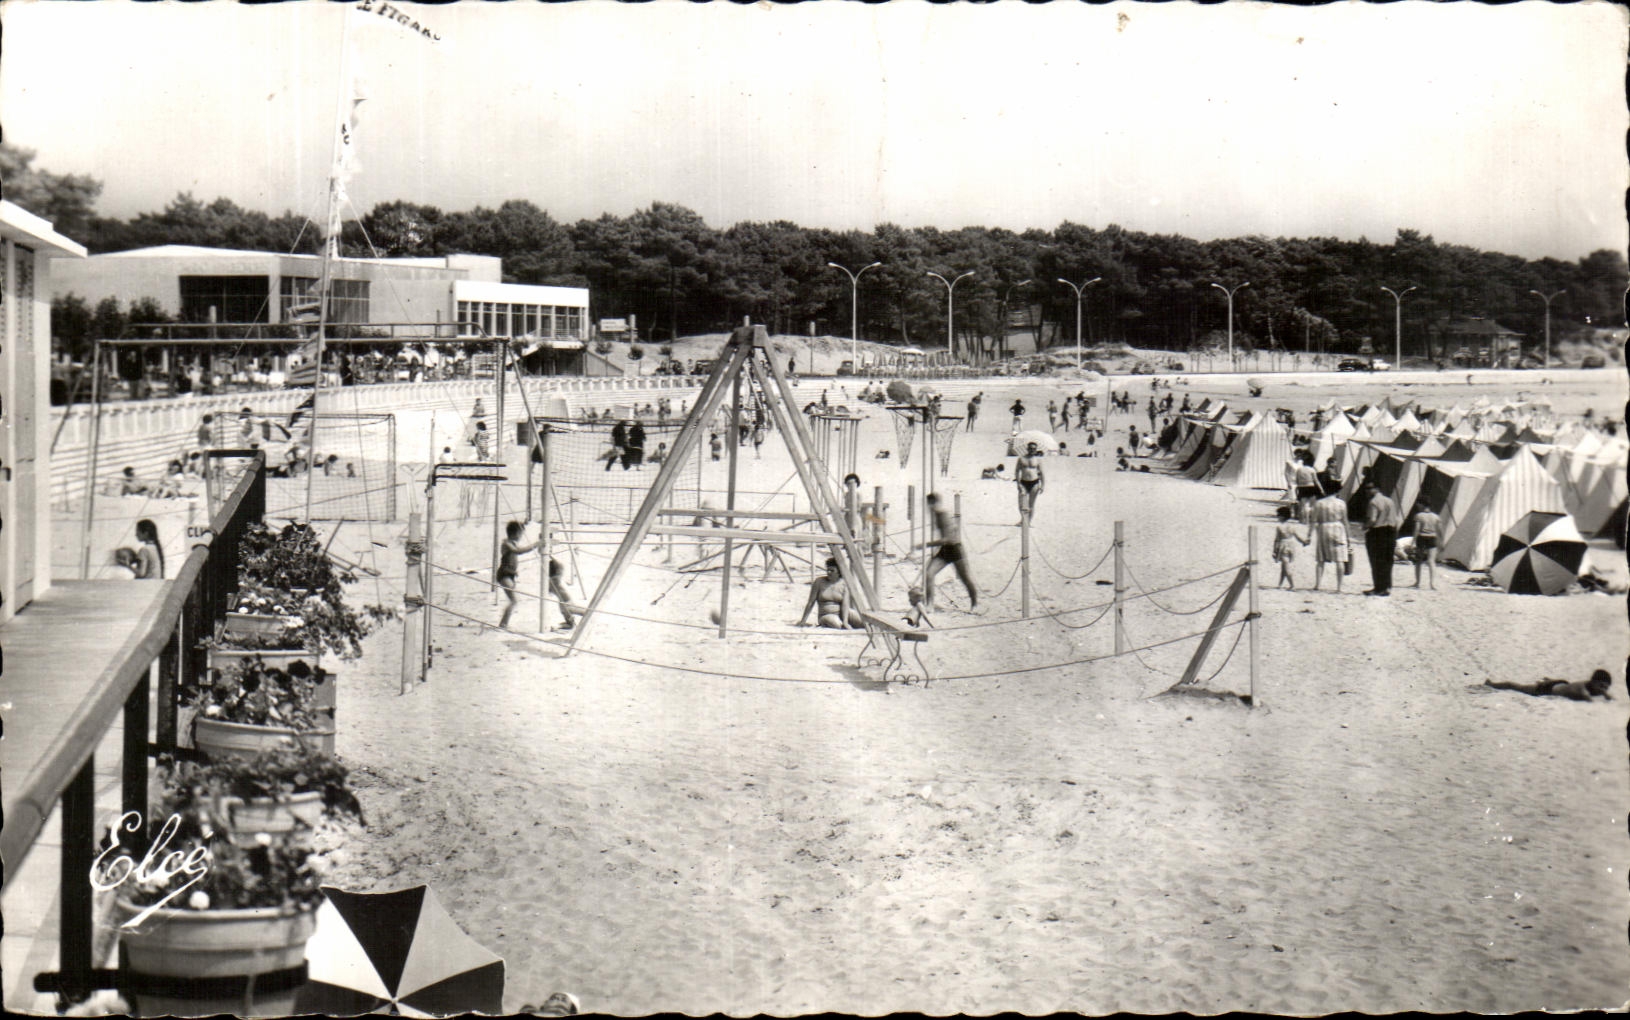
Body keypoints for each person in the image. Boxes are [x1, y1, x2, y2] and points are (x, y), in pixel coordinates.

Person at [922, 492, 978, 611]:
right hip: (945, 550)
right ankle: (930, 604)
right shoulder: (935, 515)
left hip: (955, 549)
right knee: (929, 574)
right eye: (929, 504)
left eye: (932, 504)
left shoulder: (944, 515)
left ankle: (975, 604)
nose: (930, 507)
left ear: (936, 503)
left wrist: (926, 545)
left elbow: (947, 538)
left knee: (965, 578)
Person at [1362, 481, 1402, 596]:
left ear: (1377, 489)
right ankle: (1387, 586)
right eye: (1366, 489)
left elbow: (1373, 519)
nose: (1367, 491)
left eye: (1370, 488)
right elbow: (1396, 518)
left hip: (1378, 532)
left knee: (1376, 560)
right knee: (1388, 560)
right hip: (1391, 531)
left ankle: (1379, 587)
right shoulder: (1390, 501)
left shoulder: (1373, 502)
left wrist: (1365, 526)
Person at [798, 557, 861, 629]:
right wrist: (803, 620)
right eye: (828, 570)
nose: (828, 572)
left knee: (864, 623)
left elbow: (845, 604)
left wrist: (845, 621)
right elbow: (811, 602)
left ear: (839, 571)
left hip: (841, 613)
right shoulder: (819, 582)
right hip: (825, 615)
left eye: (832, 570)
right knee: (837, 624)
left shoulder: (844, 584)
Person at [496, 521, 537, 631]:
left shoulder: (512, 543)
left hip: (510, 575)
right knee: (514, 600)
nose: (521, 537)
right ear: (515, 533)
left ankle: (504, 623)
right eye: (521, 534)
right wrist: (535, 545)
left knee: (514, 600)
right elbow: (518, 551)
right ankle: (503, 624)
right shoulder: (506, 544)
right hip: (504, 575)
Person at [1309, 489, 1350, 593]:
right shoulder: (1341, 503)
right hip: (1338, 528)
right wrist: (1348, 537)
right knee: (1340, 559)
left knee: (1320, 559)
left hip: (1323, 528)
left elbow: (1313, 520)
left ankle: (1317, 584)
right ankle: (1339, 587)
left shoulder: (1319, 503)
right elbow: (1345, 520)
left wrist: (1309, 535)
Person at [1484, 670, 1612, 701]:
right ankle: (1491, 684)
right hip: (1548, 689)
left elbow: (1605, 694)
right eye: (1601, 686)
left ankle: (1548, 680)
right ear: (1593, 682)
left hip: (1562, 683)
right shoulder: (1583, 690)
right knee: (1517, 687)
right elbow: (1588, 699)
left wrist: (1605, 693)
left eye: (1605, 687)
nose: (1603, 690)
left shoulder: (1590, 684)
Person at [1272, 505, 1310, 589]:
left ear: (1282, 517)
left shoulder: (1279, 527)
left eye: (1278, 515)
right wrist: (1304, 542)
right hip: (1291, 546)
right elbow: (1297, 537)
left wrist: (1274, 550)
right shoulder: (1292, 526)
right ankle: (1280, 584)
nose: (1277, 517)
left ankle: (1292, 585)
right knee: (1284, 566)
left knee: (1286, 567)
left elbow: (1277, 540)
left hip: (1283, 546)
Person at [1409, 502, 1442, 590]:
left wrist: (1413, 542)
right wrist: (1441, 542)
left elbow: (1416, 529)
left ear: (1422, 505)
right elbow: (1439, 530)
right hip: (1432, 537)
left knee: (1418, 561)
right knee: (1431, 561)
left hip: (1422, 537)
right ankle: (1432, 583)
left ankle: (1417, 582)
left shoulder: (1419, 516)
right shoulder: (1436, 516)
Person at [1015, 441, 1045, 520]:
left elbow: (1041, 473)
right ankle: (1023, 520)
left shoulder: (1038, 460)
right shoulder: (1021, 459)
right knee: (1021, 504)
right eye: (1031, 448)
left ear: (1036, 450)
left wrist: (1043, 485)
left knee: (1031, 504)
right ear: (1027, 449)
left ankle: (1028, 522)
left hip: (1034, 482)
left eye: (1034, 449)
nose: (1032, 450)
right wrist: (1018, 484)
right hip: (1023, 482)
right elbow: (1017, 471)